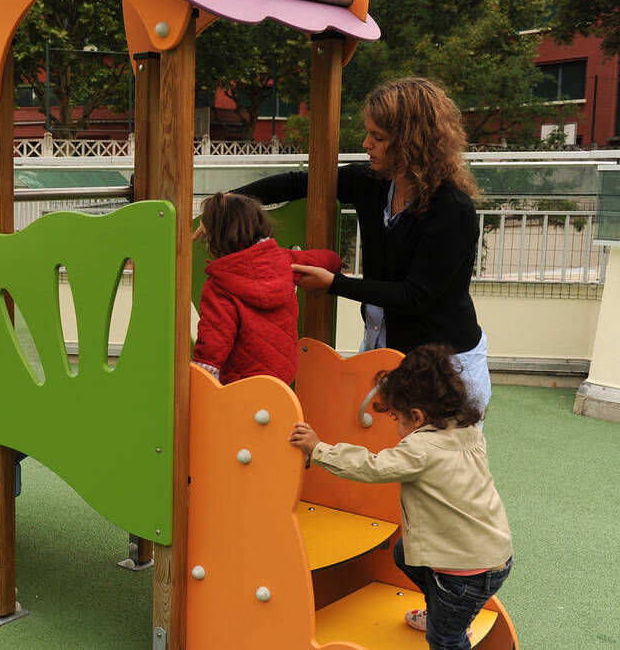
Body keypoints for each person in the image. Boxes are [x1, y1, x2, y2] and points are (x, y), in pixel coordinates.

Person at [235, 77, 491, 421]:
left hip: (444, 365)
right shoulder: (373, 183)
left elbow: (417, 295)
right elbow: (300, 183)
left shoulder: (451, 210)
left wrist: (334, 284)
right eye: (369, 133)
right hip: (384, 349)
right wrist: (232, 204)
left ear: (412, 143)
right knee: (383, 457)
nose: (366, 143)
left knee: (441, 468)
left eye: (379, 137)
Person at [289, 344, 512, 650]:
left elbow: (371, 467)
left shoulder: (421, 450)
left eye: (397, 418)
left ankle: (450, 621)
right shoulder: (468, 429)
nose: (396, 426)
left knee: (444, 640)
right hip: (493, 556)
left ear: (417, 417)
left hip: (461, 574)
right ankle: (447, 614)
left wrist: (319, 448)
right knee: (403, 553)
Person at [193, 192, 342, 385]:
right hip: (282, 381)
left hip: (240, 385)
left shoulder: (219, 285)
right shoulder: (283, 260)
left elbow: (214, 343)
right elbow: (329, 259)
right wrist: (332, 271)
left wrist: (198, 376)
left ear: (214, 238)